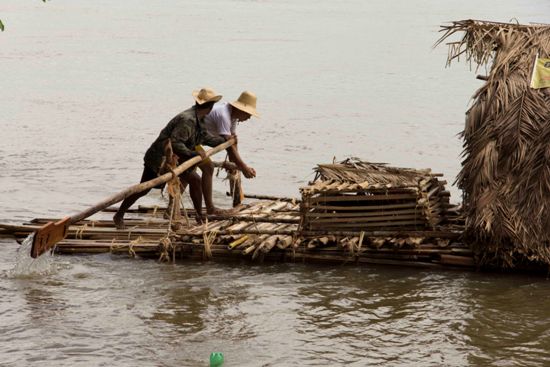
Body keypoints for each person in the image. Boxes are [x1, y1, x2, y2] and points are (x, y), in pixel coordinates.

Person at [113, 87, 227, 229]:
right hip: (159, 158)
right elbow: (175, 143)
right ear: (209, 107)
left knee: (196, 181)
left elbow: (204, 138)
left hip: (177, 158)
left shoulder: (199, 119)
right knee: (144, 188)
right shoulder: (188, 120)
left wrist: (223, 140)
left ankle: (199, 217)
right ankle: (119, 215)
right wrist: (194, 154)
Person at [204, 90, 259, 179]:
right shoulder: (224, 115)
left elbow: (232, 142)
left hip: (201, 139)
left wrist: (234, 165)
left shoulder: (232, 116)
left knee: (204, 169)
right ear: (241, 110)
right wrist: (244, 168)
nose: (249, 117)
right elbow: (228, 146)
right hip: (192, 140)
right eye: (249, 114)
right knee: (206, 169)